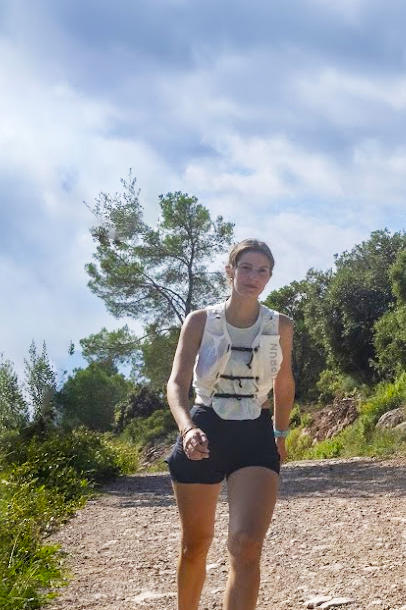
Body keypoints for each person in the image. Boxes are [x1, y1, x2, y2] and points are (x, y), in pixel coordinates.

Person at [164, 239, 295, 610]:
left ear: (269, 278)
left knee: (247, 545)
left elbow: (285, 384)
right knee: (195, 545)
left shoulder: (280, 325)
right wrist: (187, 429)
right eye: (246, 268)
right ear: (230, 271)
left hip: (255, 431)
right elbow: (176, 384)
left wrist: (280, 434)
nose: (253, 277)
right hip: (204, 427)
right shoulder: (200, 321)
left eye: (262, 271)